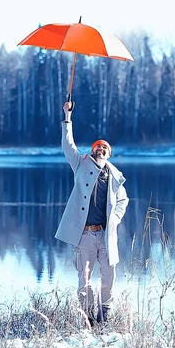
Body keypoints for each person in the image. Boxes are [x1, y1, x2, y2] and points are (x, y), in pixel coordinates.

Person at [55, 101, 129, 326]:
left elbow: (123, 201)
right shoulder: (80, 164)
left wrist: (114, 221)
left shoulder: (115, 176)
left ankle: (103, 316)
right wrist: (67, 117)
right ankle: (88, 318)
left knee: (109, 276)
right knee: (84, 278)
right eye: (98, 146)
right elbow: (68, 145)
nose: (101, 149)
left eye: (105, 148)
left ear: (109, 154)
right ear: (92, 150)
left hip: (106, 235)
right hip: (84, 235)